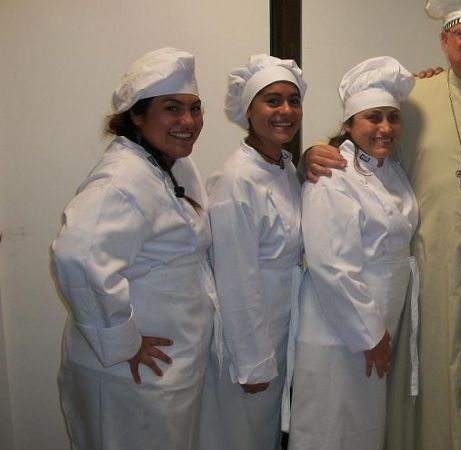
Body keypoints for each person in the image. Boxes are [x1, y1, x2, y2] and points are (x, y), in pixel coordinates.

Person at [304, 1, 461, 448]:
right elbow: (370, 151)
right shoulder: (413, 100)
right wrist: (314, 152)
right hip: (428, 266)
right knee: (428, 371)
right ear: (444, 40)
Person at [50, 47, 217, 450]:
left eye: (195, 109)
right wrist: (123, 341)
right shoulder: (124, 178)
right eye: (171, 109)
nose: (188, 121)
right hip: (129, 373)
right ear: (137, 117)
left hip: (166, 369)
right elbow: (76, 255)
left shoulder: (170, 164)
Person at [288, 56, 418, 450]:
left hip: (377, 324)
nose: (385, 128)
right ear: (349, 124)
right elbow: (332, 266)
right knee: (330, 429)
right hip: (340, 327)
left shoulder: (389, 169)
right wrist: (371, 334)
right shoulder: (332, 175)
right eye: (373, 117)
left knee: (361, 431)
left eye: (393, 118)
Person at [198, 55, 307, 450]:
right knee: (240, 434)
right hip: (251, 336)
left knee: (265, 430)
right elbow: (235, 277)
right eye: (272, 100)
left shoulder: (283, 166)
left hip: (282, 320)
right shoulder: (235, 180)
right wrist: (253, 360)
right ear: (248, 109)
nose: (286, 111)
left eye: (293, 100)